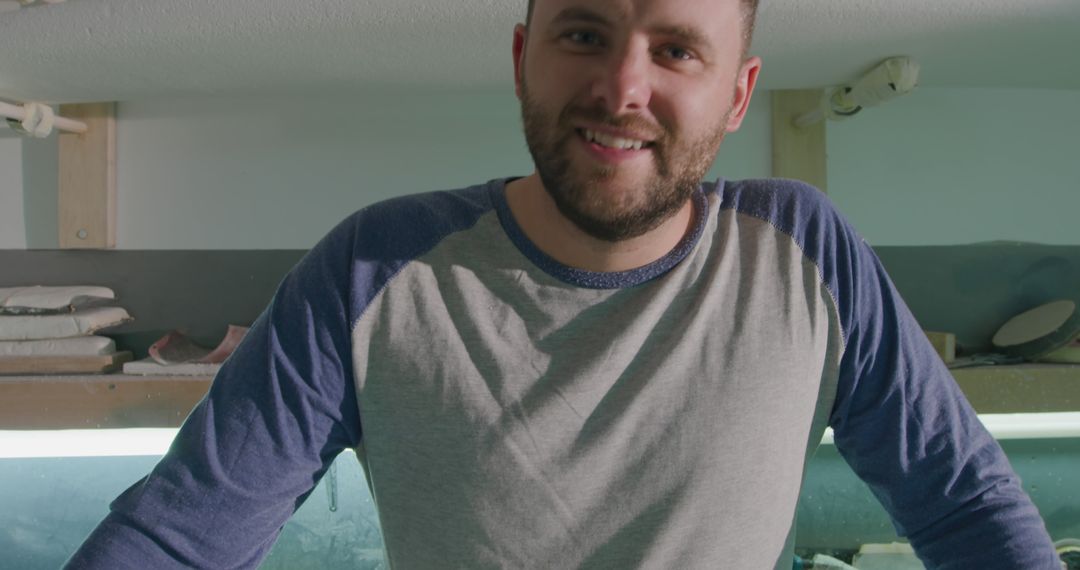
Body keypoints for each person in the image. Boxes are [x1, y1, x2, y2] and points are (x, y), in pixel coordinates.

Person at [67, 0, 1061, 568]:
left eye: (676, 50)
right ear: (522, 58)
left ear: (737, 94)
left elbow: (966, 509)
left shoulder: (806, 251)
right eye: (584, 33)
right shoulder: (372, 267)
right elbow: (178, 541)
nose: (623, 88)